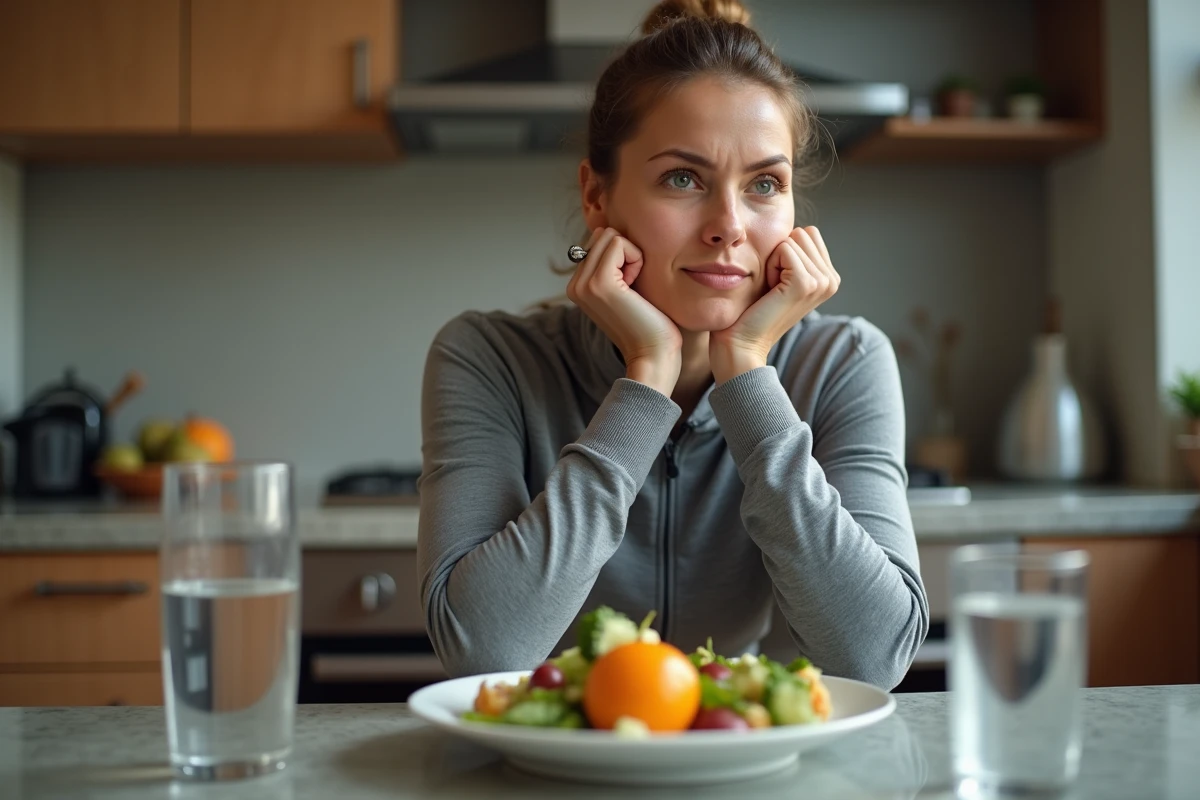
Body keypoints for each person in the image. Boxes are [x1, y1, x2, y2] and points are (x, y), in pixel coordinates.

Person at [417, 0, 928, 691]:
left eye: (764, 184)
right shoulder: (488, 358)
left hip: (754, 761)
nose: (728, 225)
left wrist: (746, 374)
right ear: (597, 195)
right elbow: (482, 652)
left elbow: (876, 658)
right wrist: (645, 383)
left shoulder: (843, 363)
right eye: (683, 179)